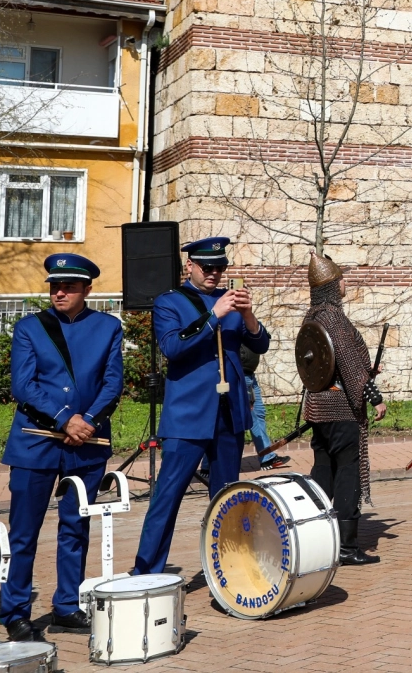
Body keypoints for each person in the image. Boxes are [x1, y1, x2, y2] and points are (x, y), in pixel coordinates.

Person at [1, 254, 121, 642]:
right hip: (36, 442)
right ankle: (16, 612)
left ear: (88, 289)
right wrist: (65, 420)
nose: (60, 292)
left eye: (69, 286)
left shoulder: (108, 327)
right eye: (55, 286)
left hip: (86, 444)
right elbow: (24, 385)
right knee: (24, 533)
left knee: (75, 527)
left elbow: (112, 383)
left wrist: (88, 422)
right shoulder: (30, 327)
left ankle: (67, 605)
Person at [133, 237, 270, 575]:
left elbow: (260, 344)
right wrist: (213, 316)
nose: (213, 273)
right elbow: (172, 348)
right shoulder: (170, 302)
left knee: (227, 498)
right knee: (168, 496)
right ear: (189, 266)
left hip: (229, 412)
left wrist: (248, 314)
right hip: (188, 415)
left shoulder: (230, 300)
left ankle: (228, 569)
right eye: (207, 267)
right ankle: (146, 572)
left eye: (219, 267)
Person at [302, 253, 386, 567]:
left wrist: (365, 372)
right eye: (341, 279)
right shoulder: (334, 319)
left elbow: (326, 365)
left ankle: (313, 535)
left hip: (319, 406)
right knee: (347, 473)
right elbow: (350, 367)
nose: (344, 283)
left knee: (323, 471)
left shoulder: (312, 315)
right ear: (333, 285)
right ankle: (347, 547)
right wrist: (375, 396)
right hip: (340, 409)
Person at [240, 341, 287, 470]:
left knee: (259, 413)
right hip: (239, 374)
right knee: (252, 416)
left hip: (249, 373)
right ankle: (207, 466)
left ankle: (267, 457)